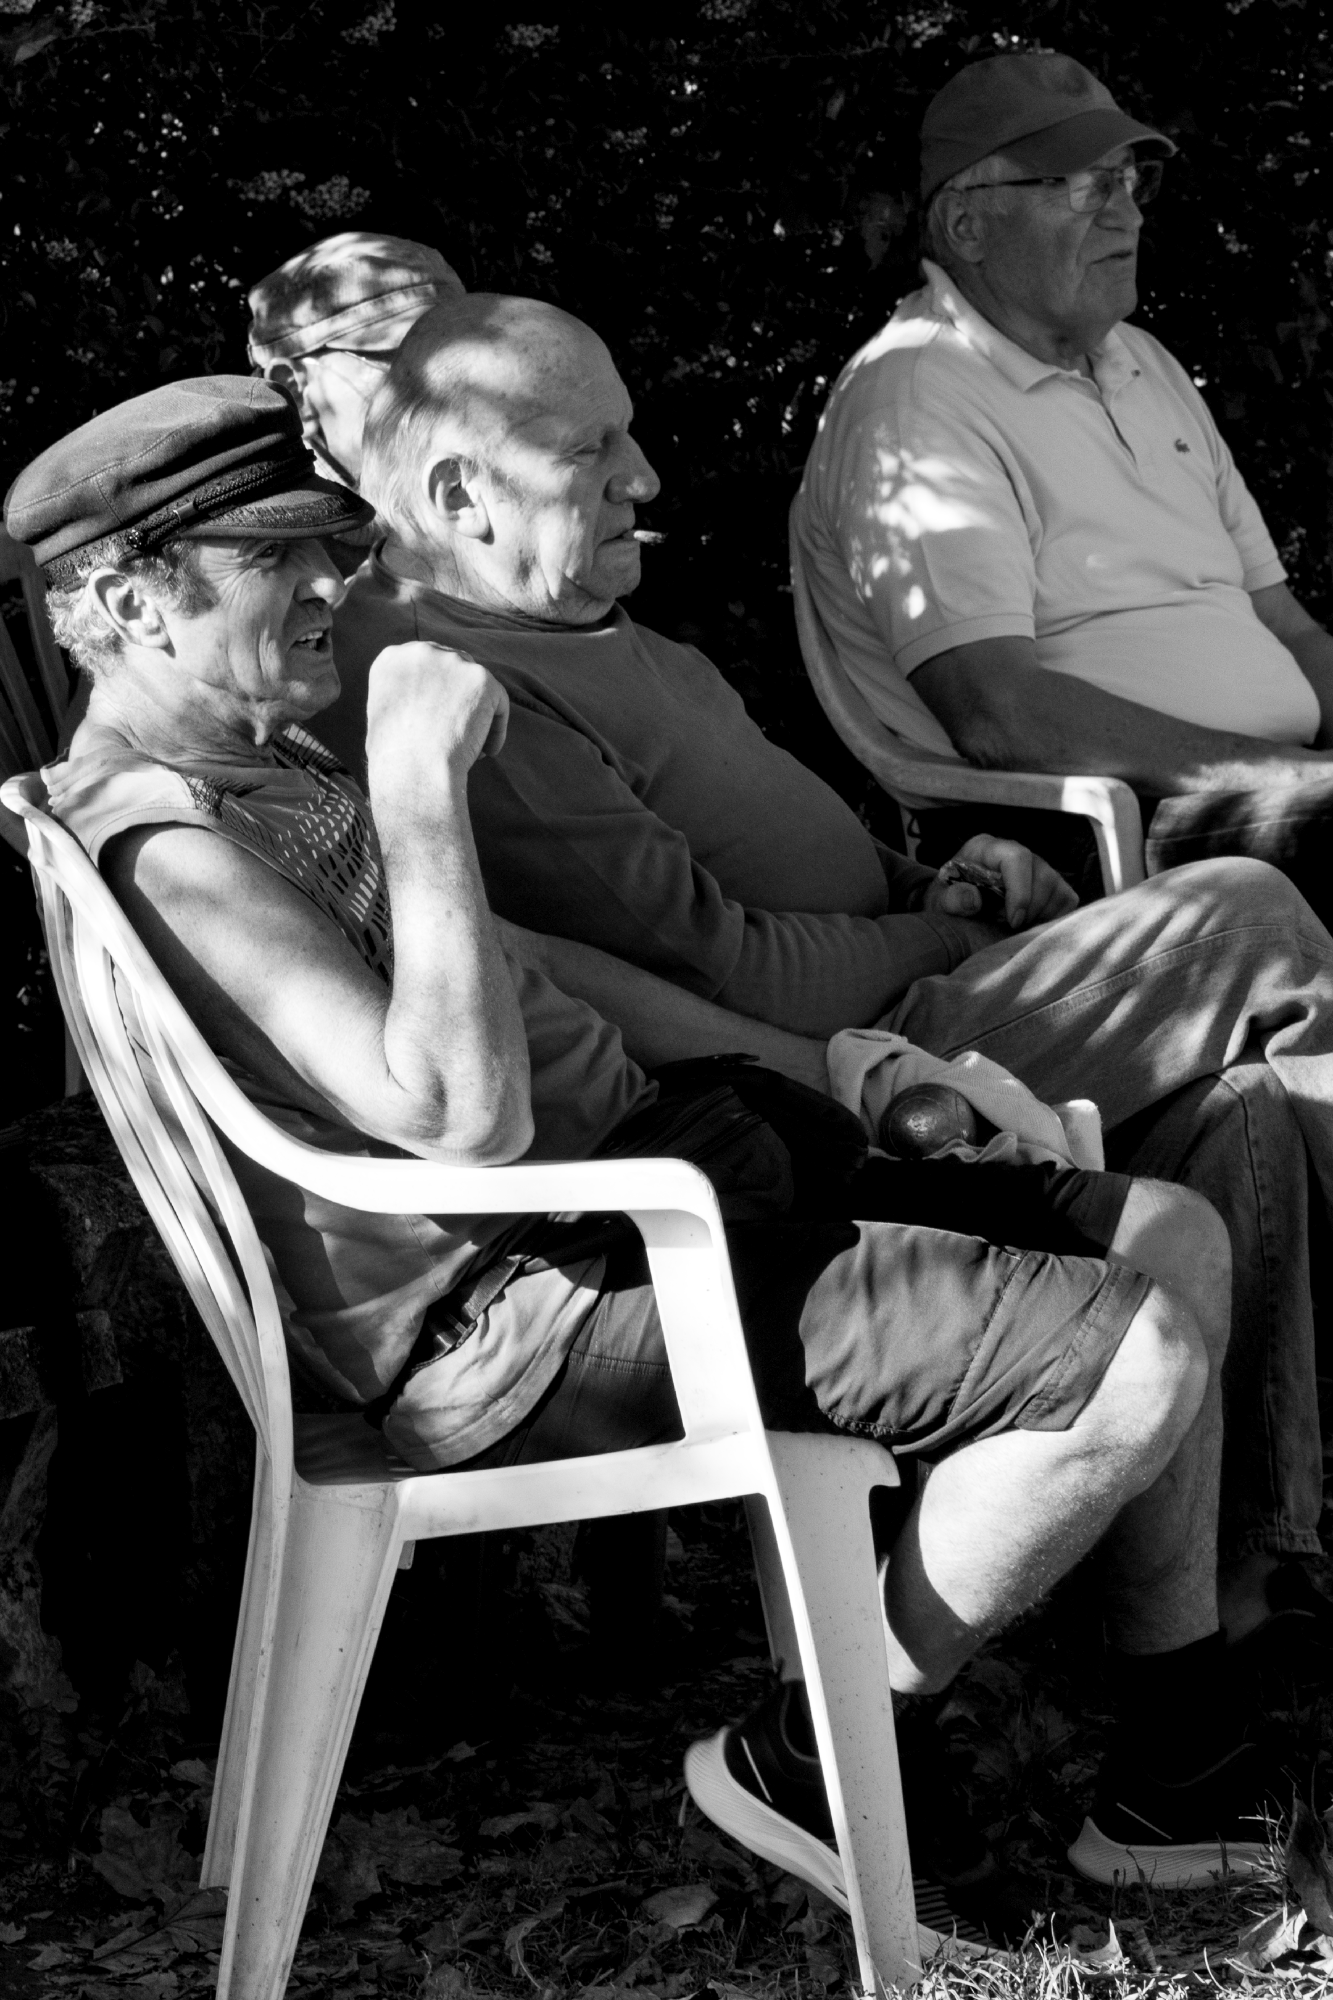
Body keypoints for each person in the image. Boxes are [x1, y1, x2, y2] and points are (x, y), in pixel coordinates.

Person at [7, 379, 1286, 1925]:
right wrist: (418, 792)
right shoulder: (168, 843)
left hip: (665, 1178)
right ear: (132, 602)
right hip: (530, 1305)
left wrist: (832, 1066)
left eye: (332, 545)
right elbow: (456, 1117)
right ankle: (824, 1749)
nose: (334, 584)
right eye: (277, 558)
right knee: (1136, 1360)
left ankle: (1174, 1765)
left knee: (1168, 1235)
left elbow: (531, 961)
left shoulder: (257, 766)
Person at [323, 291, 1333, 1680]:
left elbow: (803, 852)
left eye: (630, 437)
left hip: (904, 988)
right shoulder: (461, 684)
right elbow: (725, 961)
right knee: (1248, 914)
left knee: (1240, 1113)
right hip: (820, 1063)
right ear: (458, 494)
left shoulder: (607, 634)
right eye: (590, 450)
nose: (643, 478)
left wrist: (939, 878)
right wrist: (949, 935)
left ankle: (1241, 1591)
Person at [790, 50, 1333, 913]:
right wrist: (1292, 778)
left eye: (1129, 179)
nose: (1126, 212)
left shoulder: (1140, 363)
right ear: (966, 225)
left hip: (1267, 795)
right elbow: (1001, 715)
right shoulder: (916, 403)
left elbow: (1284, 625)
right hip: (1090, 829)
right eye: (1083, 186)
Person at [247, 231, 465, 494]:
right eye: (408, 366)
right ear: (294, 392)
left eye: (461, 359)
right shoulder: (265, 517)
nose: (453, 392)